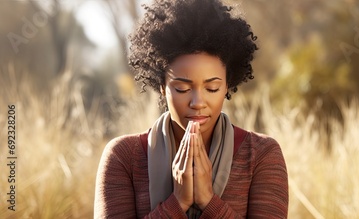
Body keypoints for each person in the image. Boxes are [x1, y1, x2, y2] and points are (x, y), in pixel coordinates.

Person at [93, 0, 289, 218]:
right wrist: (177, 202)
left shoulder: (261, 155)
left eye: (212, 88)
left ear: (227, 85)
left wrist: (208, 201)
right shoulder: (123, 156)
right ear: (162, 86)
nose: (198, 102)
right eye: (182, 88)